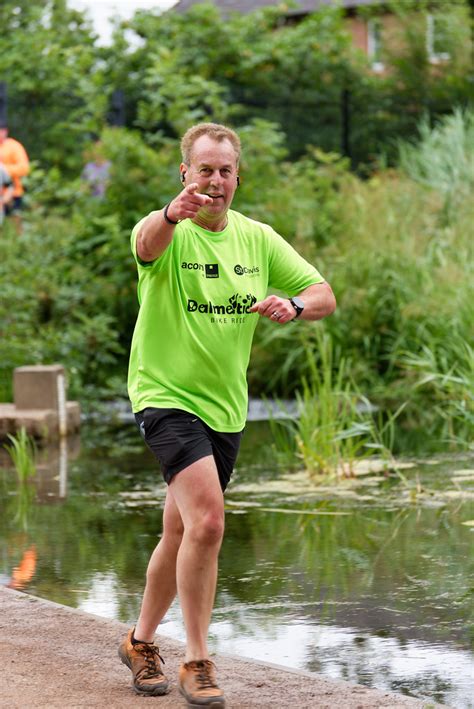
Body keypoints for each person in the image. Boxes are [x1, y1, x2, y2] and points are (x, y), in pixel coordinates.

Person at [118, 122, 336, 707]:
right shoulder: (171, 233)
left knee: (180, 530)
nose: (215, 181)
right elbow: (144, 244)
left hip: (224, 407)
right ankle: (197, 659)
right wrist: (171, 213)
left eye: (225, 170)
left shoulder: (258, 239)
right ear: (184, 174)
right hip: (163, 395)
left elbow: (323, 293)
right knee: (209, 523)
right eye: (204, 169)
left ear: (237, 177)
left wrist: (292, 303)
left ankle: (139, 643)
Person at [0, 123, 30, 217]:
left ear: (5, 131)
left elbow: (24, 168)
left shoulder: (14, 146)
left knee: (13, 222)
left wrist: (3, 169)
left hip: (13, 193)